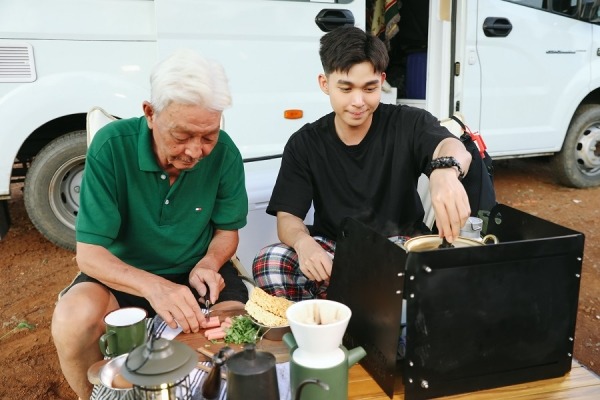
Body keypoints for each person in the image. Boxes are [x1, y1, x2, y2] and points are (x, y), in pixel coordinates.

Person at [51, 49, 249, 400]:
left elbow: (226, 232)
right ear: (150, 113)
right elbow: (90, 255)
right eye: (182, 136)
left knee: (236, 332)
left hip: (198, 276)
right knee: (73, 318)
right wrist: (154, 287)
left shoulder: (226, 154)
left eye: (208, 136)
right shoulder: (112, 147)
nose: (195, 151)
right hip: (124, 276)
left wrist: (210, 262)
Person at [252, 26, 473, 302]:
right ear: (325, 83)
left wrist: (445, 171)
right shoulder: (305, 143)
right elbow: (288, 218)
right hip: (335, 249)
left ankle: (353, 304)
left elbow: (453, 146)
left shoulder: (408, 122)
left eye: (369, 88)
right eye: (345, 88)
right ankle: (326, 317)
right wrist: (303, 242)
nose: (358, 102)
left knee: (431, 268)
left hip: (400, 245)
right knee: (269, 262)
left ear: (382, 81)